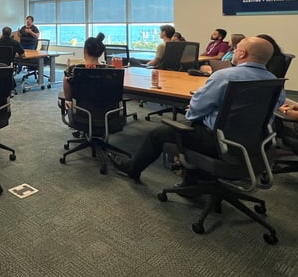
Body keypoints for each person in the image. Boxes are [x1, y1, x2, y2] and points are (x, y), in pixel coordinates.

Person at [108, 36, 285, 183]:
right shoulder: (275, 83)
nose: (235, 50)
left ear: (242, 53)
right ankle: (193, 181)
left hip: (218, 142)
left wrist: (192, 111)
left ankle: (132, 170)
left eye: (237, 48)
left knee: (158, 134)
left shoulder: (225, 76)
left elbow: (197, 108)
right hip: (254, 144)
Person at [63, 32, 109, 101]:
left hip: (81, 110)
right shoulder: (110, 71)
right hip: (108, 111)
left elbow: (68, 98)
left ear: (85, 50)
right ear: (100, 53)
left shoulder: (72, 70)